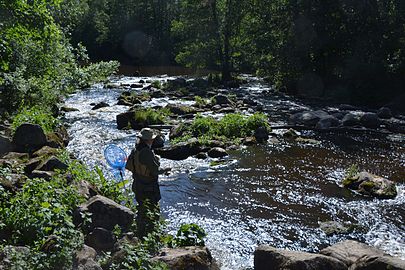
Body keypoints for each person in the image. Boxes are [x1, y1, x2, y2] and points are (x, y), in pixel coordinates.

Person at [125, 127, 161, 237]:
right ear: (148, 140)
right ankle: (150, 235)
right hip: (148, 186)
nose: (153, 141)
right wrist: (158, 161)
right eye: (152, 139)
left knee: (141, 208)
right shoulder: (146, 152)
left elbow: (129, 166)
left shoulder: (136, 149)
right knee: (152, 210)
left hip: (137, 184)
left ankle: (139, 232)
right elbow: (155, 170)